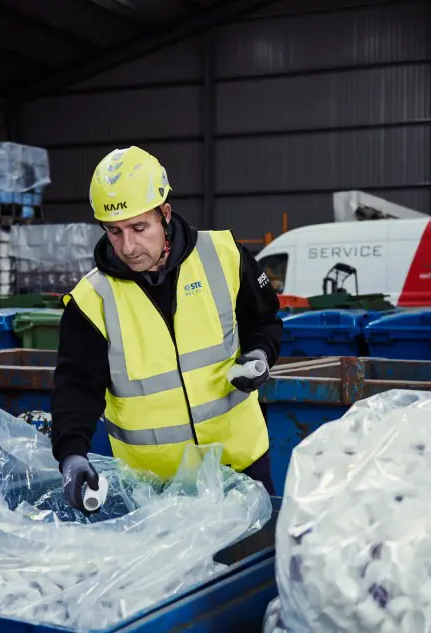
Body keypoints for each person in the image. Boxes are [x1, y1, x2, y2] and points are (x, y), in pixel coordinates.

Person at [50, 146, 282, 511]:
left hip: (240, 468)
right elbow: (76, 387)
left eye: (139, 227)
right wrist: (71, 455)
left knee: (250, 565)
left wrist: (260, 354)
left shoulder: (224, 256)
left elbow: (264, 321)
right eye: (114, 232)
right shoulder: (91, 299)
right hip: (152, 491)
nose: (128, 246)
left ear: (165, 214)